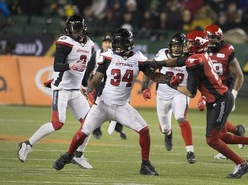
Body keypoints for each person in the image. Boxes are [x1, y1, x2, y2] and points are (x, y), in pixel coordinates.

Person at [52, 28, 173, 175]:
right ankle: (68, 155)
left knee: (144, 131)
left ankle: (145, 165)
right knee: (83, 131)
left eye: (120, 43)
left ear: (129, 44)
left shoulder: (138, 58)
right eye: (116, 43)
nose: (117, 46)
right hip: (103, 104)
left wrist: (167, 79)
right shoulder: (108, 56)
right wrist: (90, 90)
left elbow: (153, 76)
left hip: (122, 106)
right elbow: (95, 80)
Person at [150, 30, 248, 179]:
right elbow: (178, 61)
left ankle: (242, 164)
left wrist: (173, 85)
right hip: (217, 99)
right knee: (220, 136)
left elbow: (191, 92)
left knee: (212, 139)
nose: (186, 45)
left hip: (220, 99)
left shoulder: (194, 60)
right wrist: (158, 63)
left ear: (196, 45)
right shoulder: (197, 56)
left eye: (189, 43)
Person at [17, 15, 94, 169]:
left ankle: (78, 155)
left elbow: (84, 70)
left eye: (79, 28)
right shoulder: (65, 42)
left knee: (90, 123)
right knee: (57, 123)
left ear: (84, 28)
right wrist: (70, 66)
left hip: (75, 90)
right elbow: (56, 66)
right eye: (74, 29)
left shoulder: (90, 45)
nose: (77, 32)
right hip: (62, 88)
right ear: (69, 29)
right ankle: (27, 144)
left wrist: (82, 85)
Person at [141, 32, 196, 164]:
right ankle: (168, 134)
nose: (176, 48)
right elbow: (150, 68)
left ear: (184, 46)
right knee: (164, 128)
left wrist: (203, 97)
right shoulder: (162, 54)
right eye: (174, 45)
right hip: (163, 94)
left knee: (181, 118)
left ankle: (190, 151)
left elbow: (199, 78)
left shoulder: (190, 58)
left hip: (180, 93)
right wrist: (145, 87)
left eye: (179, 46)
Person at [198, 24, 246, 160]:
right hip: (210, 88)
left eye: (214, 38)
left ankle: (224, 146)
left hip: (224, 88)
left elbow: (239, 75)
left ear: (220, 38)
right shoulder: (200, 50)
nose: (211, 40)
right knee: (217, 118)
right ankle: (237, 130)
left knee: (218, 120)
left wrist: (234, 95)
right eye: (208, 37)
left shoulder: (227, 50)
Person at [82, 35, 127, 140]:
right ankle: (96, 130)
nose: (108, 44)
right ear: (102, 43)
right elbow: (89, 69)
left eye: (109, 42)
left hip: (112, 86)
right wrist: (85, 85)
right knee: (98, 108)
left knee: (116, 107)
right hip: (98, 85)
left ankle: (118, 128)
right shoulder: (97, 53)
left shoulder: (117, 55)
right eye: (105, 42)